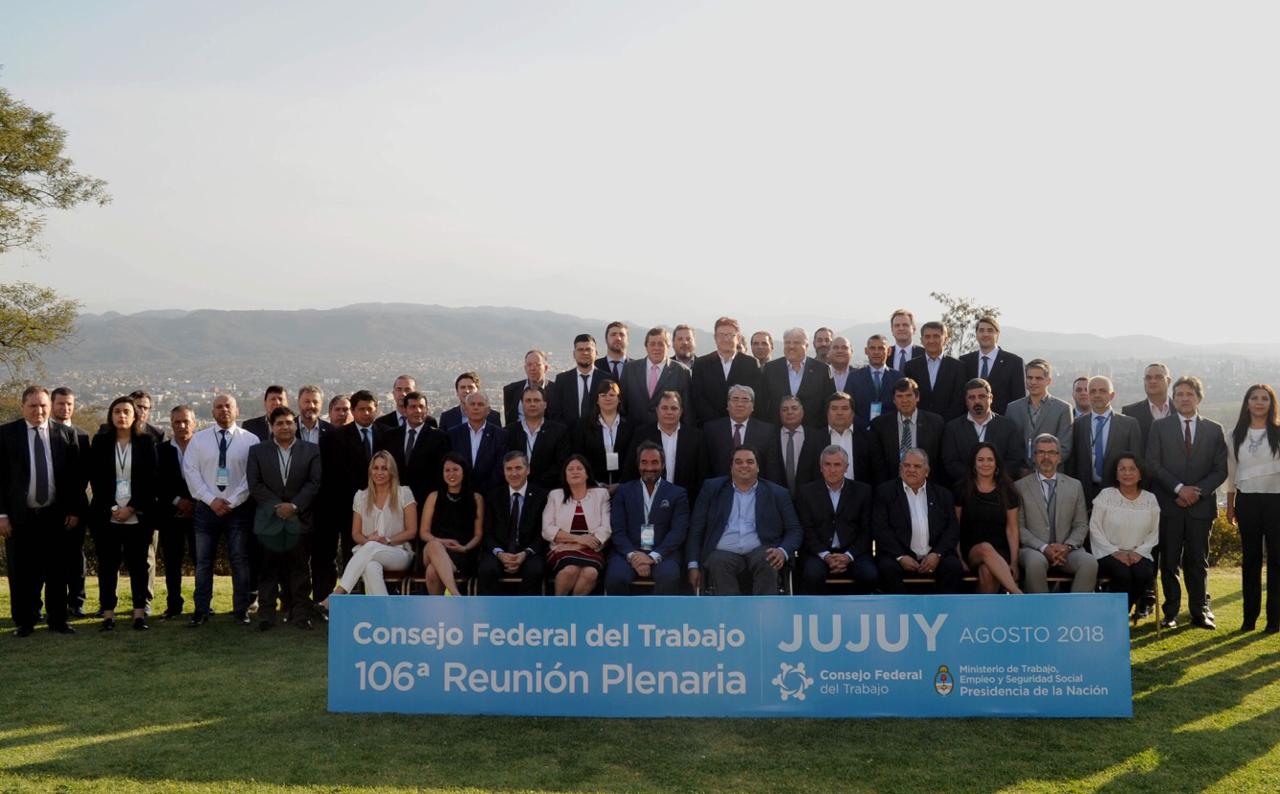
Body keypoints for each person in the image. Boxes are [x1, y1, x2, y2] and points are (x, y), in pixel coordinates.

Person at [1, 386, 87, 636]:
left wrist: (74, 510)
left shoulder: (65, 434)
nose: (39, 411)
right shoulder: (6, 434)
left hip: (55, 515)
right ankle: (25, 622)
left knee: (57, 571)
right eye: (33, 406)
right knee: (22, 572)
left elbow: (74, 478)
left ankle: (58, 620)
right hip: (20, 516)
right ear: (22, 407)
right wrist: (1, 515)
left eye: (43, 406)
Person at [1146, 375, 1228, 630]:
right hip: (1170, 505)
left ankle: (1199, 611)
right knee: (1169, 562)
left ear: (1198, 398)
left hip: (1200, 508)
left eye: (1189, 394)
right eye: (1179, 394)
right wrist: (1180, 489)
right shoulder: (1159, 427)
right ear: (1174, 397)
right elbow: (1153, 464)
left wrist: (1196, 492)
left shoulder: (1214, 429)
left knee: (1197, 562)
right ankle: (1170, 612)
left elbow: (1220, 470)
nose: (1183, 398)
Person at [686, 445, 802, 595]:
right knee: (718, 562)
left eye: (750, 461)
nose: (744, 466)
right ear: (731, 467)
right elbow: (696, 529)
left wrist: (782, 551)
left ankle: (764, 615)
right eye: (738, 462)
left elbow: (795, 529)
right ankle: (730, 616)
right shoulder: (712, 489)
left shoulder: (778, 493)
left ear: (758, 467)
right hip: (723, 551)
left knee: (769, 558)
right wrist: (693, 565)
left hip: (760, 549)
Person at [181, 394, 255, 626]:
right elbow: (190, 472)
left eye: (228, 406)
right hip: (205, 509)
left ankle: (241, 609)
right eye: (219, 407)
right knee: (203, 562)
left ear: (237, 410)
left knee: (239, 560)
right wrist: (211, 500)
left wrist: (231, 501)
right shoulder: (199, 440)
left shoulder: (250, 440)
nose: (224, 410)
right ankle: (201, 610)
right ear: (212, 412)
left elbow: (251, 477)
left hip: (238, 510)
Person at [246, 406, 321, 630]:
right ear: (271, 427)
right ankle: (266, 616)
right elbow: (255, 484)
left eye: (289, 422)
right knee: (268, 571)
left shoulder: (311, 450)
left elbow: (314, 483)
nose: (285, 427)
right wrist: (277, 507)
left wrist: (294, 506)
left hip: (299, 520)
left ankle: (300, 615)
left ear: (295, 424)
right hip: (270, 520)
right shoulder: (257, 451)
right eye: (279, 423)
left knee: (300, 571)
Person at [89, 395, 158, 631]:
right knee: (108, 564)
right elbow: (96, 479)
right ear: (111, 415)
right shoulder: (100, 442)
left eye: (127, 411)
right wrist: (113, 508)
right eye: (117, 411)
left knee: (139, 565)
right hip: (106, 514)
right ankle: (108, 613)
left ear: (135, 415)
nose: (122, 416)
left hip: (137, 514)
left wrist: (131, 507)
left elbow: (151, 481)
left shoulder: (147, 442)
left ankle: (139, 613)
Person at [314, 389, 384, 606]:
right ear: (354, 411)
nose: (365, 414)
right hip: (339, 506)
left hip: (374, 507)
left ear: (376, 410)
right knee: (333, 555)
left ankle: (357, 601)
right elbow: (326, 474)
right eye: (361, 409)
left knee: (362, 555)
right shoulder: (333, 437)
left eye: (369, 409)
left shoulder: (387, 434)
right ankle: (325, 601)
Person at [320, 451, 417, 606]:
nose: (379, 472)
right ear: (370, 470)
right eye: (376, 468)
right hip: (369, 553)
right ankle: (386, 614)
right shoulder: (361, 496)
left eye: (384, 468)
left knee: (371, 547)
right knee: (371, 567)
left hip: (398, 552)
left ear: (392, 471)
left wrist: (387, 540)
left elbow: (412, 531)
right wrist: (367, 539)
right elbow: (356, 533)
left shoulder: (404, 493)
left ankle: (338, 594)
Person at [1226, 384, 1280, 633]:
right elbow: (1232, 472)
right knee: (1251, 561)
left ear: (1271, 404)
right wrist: (1230, 505)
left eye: (1264, 399)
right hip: (1247, 502)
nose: (1259, 402)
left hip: (1276, 501)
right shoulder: (1235, 434)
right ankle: (1249, 619)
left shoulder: (1278, 433)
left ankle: (1274, 621)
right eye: (1254, 398)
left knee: (1277, 561)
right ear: (1247, 403)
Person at [872, 449, 963, 594]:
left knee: (953, 567)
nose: (911, 470)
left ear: (927, 471)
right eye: (907, 466)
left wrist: (937, 554)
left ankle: (940, 613)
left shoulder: (943, 495)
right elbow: (881, 529)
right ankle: (901, 613)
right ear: (901, 469)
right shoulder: (885, 492)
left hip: (934, 555)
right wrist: (901, 557)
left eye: (917, 466)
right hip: (898, 556)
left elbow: (952, 529)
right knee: (886, 569)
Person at [1014, 434, 1096, 593]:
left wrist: (1067, 546)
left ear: (1059, 457)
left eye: (1051, 452)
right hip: (1034, 550)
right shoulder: (1020, 487)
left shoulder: (1075, 486)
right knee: (1035, 563)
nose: (1046, 457)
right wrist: (1044, 548)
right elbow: (1019, 527)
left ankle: (1074, 614)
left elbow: (1081, 524)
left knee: (1089, 563)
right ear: (1034, 457)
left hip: (1067, 550)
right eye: (1041, 452)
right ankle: (1042, 615)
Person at [605, 442, 690, 595]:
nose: (649, 467)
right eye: (644, 462)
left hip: (664, 552)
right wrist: (634, 556)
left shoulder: (677, 493)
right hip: (628, 551)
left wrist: (652, 557)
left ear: (663, 465)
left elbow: (678, 532)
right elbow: (618, 530)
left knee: (669, 577)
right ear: (638, 465)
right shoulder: (623, 491)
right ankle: (623, 618)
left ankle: (660, 618)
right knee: (615, 578)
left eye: (655, 462)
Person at [796, 446, 878, 594]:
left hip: (854, 552)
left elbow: (867, 530)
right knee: (811, 574)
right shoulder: (806, 492)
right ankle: (821, 614)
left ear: (846, 468)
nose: (832, 470)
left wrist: (848, 556)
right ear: (821, 468)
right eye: (827, 464)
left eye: (837, 465)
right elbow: (806, 529)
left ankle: (854, 612)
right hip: (818, 553)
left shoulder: (863, 491)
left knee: (869, 575)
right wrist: (826, 556)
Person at [1089, 454, 1160, 621]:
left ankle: (1119, 616)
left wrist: (1140, 552)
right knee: (1122, 574)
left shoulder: (1150, 499)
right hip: (1108, 553)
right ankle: (1115, 619)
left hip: (1139, 554)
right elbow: (1095, 528)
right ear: (1116, 473)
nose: (1127, 473)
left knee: (1143, 574)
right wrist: (1115, 552)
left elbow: (1154, 532)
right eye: (1122, 469)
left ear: (1140, 473)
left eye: (1132, 469)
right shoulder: (1105, 495)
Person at [954, 443, 1023, 594]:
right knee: (985, 548)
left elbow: (1012, 529)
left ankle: (984, 615)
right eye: (981, 460)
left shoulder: (1008, 491)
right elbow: (956, 528)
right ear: (974, 463)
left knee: (987, 572)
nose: (985, 464)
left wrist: (1014, 562)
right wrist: (959, 558)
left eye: (990, 460)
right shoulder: (962, 489)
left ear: (996, 463)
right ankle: (1016, 592)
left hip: (1001, 550)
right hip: (972, 550)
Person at [477, 451, 549, 595]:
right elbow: (487, 532)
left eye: (518, 468)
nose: (513, 473)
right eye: (509, 469)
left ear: (528, 470)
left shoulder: (541, 496)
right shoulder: (493, 496)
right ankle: (492, 614)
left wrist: (525, 553)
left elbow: (543, 533)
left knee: (535, 570)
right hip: (499, 551)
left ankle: (527, 614)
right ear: (503, 472)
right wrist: (500, 554)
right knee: (487, 569)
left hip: (529, 552)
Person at [1065, 376, 1144, 505]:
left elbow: (1137, 462)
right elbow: (1072, 461)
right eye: (1093, 391)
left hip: (1119, 492)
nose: (1097, 395)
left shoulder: (1129, 424)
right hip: (1085, 494)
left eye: (1102, 391)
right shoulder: (1078, 424)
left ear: (1112, 395)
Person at [542, 455, 612, 595]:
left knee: (591, 573)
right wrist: (578, 539)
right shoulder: (555, 495)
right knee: (570, 570)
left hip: (592, 550)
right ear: (565, 475)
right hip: (561, 550)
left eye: (579, 468)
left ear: (587, 474)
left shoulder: (601, 494)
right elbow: (547, 530)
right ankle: (559, 609)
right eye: (570, 469)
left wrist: (582, 544)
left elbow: (605, 529)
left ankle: (574, 611)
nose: (575, 472)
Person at [51, 386, 91, 618]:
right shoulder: (43, 434)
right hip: (48, 508)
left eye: (69, 404)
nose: (65, 408)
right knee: (48, 559)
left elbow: (82, 477)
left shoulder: (83, 435)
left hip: (77, 506)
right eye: (61, 404)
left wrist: (74, 510)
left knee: (76, 557)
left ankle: (76, 602)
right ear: (52, 405)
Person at [419, 452, 484, 596]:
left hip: (461, 553)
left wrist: (465, 548)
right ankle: (456, 595)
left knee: (432, 571)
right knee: (433, 545)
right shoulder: (433, 496)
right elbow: (424, 532)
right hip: (433, 549)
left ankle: (438, 614)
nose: (451, 474)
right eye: (447, 470)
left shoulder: (476, 498)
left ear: (463, 471)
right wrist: (441, 542)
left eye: (455, 469)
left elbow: (478, 534)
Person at [625, 390, 706, 504]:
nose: (669, 412)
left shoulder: (696, 437)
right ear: (657, 410)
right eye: (664, 408)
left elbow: (702, 475)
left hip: (686, 502)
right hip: (648, 501)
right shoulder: (641, 435)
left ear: (681, 411)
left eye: (674, 408)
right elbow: (630, 471)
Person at [940, 378, 1026, 486]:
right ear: (966, 401)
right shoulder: (953, 428)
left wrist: (992, 479)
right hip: (965, 491)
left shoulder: (1008, 426)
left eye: (982, 396)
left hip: (1000, 489)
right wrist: (975, 479)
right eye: (972, 397)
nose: (977, 401)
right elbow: (951, 462)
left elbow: (1015, 459)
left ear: (991, 398)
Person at [156, 404, 197, 619]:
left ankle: (202, 604)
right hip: (170, 515)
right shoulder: (161, 451)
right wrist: (177, 500)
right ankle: (173, 605)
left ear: (194, 423)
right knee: (172, 562)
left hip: (199, 513)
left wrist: (194, 503)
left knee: (201, 560)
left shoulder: (203, 448)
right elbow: (156, 483)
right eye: (177, 422)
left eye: (186, 421)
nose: (182, 426)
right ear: (171, 424)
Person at [868, 378, 944, 485]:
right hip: (892, 487)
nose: (904, 400)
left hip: (926, 485)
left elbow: (939, 461)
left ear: (917, 397)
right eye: (899, 396)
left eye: (909, 395)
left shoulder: (935, 422)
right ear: (894, 400)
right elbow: (877, 463)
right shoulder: (879, 425)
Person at [380, 390, 450, 505]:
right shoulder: (390, 436)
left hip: (426, 501)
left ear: (426, 410)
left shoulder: (439, 438)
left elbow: (441, 472)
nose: (418, 411)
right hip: (394, 500)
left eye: (421, 407)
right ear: (405, 410)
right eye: (413, 407)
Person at [1005, 359, 1074, 472]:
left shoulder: (1063, 409)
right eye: (1029, 378)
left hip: (1050, 474)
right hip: (1019, 475)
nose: (1033, 382)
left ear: (1048, 381)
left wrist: (1042, 468)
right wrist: (1021, 468)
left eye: (1038, 378)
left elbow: (1064, 448)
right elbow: (1009, 445)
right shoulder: (1012, 408)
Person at [759, 327, 836, 429]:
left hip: (812, 433)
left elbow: (828, 404)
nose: (791, 346)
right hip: (777, 433)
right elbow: (763, 403)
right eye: (787, 343)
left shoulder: (822, 370)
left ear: (806, 346)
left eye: (796, 343)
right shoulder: (770, 369)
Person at [691, 316, 762, 426]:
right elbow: (698, 397)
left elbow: (756, 396)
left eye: (730, 335)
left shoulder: (751, 364)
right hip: (709, 426)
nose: (726, 339)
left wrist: (737, 419)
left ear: (738, 338)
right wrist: (717, 422)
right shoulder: (701, 364)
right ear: (715, 337)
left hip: (742, 425)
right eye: (722, 335)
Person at [621, 327, 693, 426]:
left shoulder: (682, 372)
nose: (656, 348)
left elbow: (688, 410)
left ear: (668, 346)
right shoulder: (630, 369)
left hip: (667, 434)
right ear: (646, 346)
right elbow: (622, 404)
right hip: (634, 433)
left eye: (661, 344)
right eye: (652, 344)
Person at [703, 385, 777, 478]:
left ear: (753, 406)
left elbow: (772, 468)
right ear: (727, 405)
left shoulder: (767, 431)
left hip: (755, 487)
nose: (740, 404)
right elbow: (704, 466)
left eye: (745, 400)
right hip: (720, 487)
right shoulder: (711, 429)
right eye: (735, 399)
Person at [506, 385, 571, 491]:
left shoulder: (559, 431)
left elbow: (561, 464)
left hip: (548, 490)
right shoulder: (509, 431)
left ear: (545, 404)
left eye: (536, 400)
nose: (532, 404)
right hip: (515, 489)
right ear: (522, 404)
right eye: (528, 401)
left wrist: (534, 484)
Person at [573, 379, 633, 490]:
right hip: (593, 486)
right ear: (597, 400)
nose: (608, 398)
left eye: (612, 395)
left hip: (624, 487)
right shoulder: (584, 425)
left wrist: (620, 485)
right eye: (603, 395)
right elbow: (580, 455)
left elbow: (632, 458)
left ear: (619, 399)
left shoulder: (630, 425)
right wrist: (594, 482)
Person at [958, 316, 1025, 416]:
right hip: (970, 423)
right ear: (976, 335)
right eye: (981, 330)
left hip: (1003, 423)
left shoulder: (1014, 362)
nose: (985, 334)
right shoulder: (964, 361)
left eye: (990, 330)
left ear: (997, 334)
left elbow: (1019, 399)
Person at [448, 390, 508, 494]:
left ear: (488, 410)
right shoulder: (453, 434)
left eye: (480, 404)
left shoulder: (501, 435)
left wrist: (484, 490)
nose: (476, 407)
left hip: (491, 494)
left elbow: (500, 467)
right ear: (466, 410)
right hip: (460, 492)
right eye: (472, 404)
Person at [903, 321, 965, 421]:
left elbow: (959, 400)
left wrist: (944, 422)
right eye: (927, 337)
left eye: (936, 336)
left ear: (945, 339)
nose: (931, 340)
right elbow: (908, 397)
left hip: (948, 425)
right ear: (921, 340)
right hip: (918, 423)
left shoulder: (958, 367)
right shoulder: (910, 367)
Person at [551, 333, 615, 426]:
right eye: (580, 349)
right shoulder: (562, 380)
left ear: (596, 353)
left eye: (588, 349)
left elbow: (613, 410)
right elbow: (555, 412)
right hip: (569, 436)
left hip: (599, 435)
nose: (585, 353)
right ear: (574, 354)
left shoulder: (608, 379)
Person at [811, 392, 872, 485]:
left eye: (845, 408)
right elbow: (807, 473)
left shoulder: (868, 438)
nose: (839, 413)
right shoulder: (814, 439)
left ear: (852, 413)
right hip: (823, 497)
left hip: (861, 497)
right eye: (834, 408)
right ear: (827, 413)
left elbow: (877, 472)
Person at [768, 396, 823, 495]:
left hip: (810, 497)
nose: (789, 412)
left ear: (802, 412)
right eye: (784, 409)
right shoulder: (770, 437)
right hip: (778, 497)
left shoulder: (816, 437)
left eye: (794, 408)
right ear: (779, 414)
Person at [847, 335, 898, 430]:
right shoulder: (854, 377)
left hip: (890, 432)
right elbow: (848, 406)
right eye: (872, 348)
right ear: (866, 351)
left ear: (889, 351)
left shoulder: (898, 377)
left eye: (881, 348)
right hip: (861, 432)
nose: (876, 352)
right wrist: (863, 425)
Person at [1122, 362, 1174, 449]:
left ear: (1168, 381)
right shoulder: (1130, 413)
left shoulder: (1181, 410)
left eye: (1158, 377)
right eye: (1148, 378)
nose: (1153, 381)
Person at [503, 350, 553, 426]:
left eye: (537, 365)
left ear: (545, 368)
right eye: (529, 365)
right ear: (525, 368)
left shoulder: (557, 391)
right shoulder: (511, 390)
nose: (533, 368)